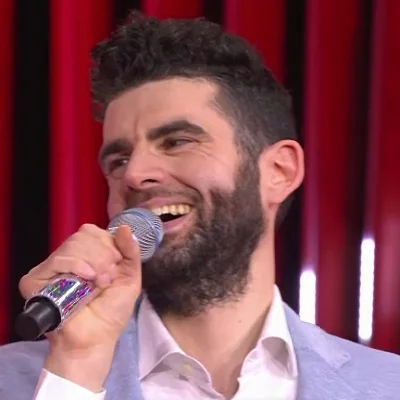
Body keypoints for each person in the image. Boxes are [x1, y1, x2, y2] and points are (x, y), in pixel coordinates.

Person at [0, 10, 399, 400]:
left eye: (177, 142)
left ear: (279, 171)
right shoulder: (19, 380)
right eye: (118, 161)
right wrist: (76, 368)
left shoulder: (387, 384)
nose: (134, 174)